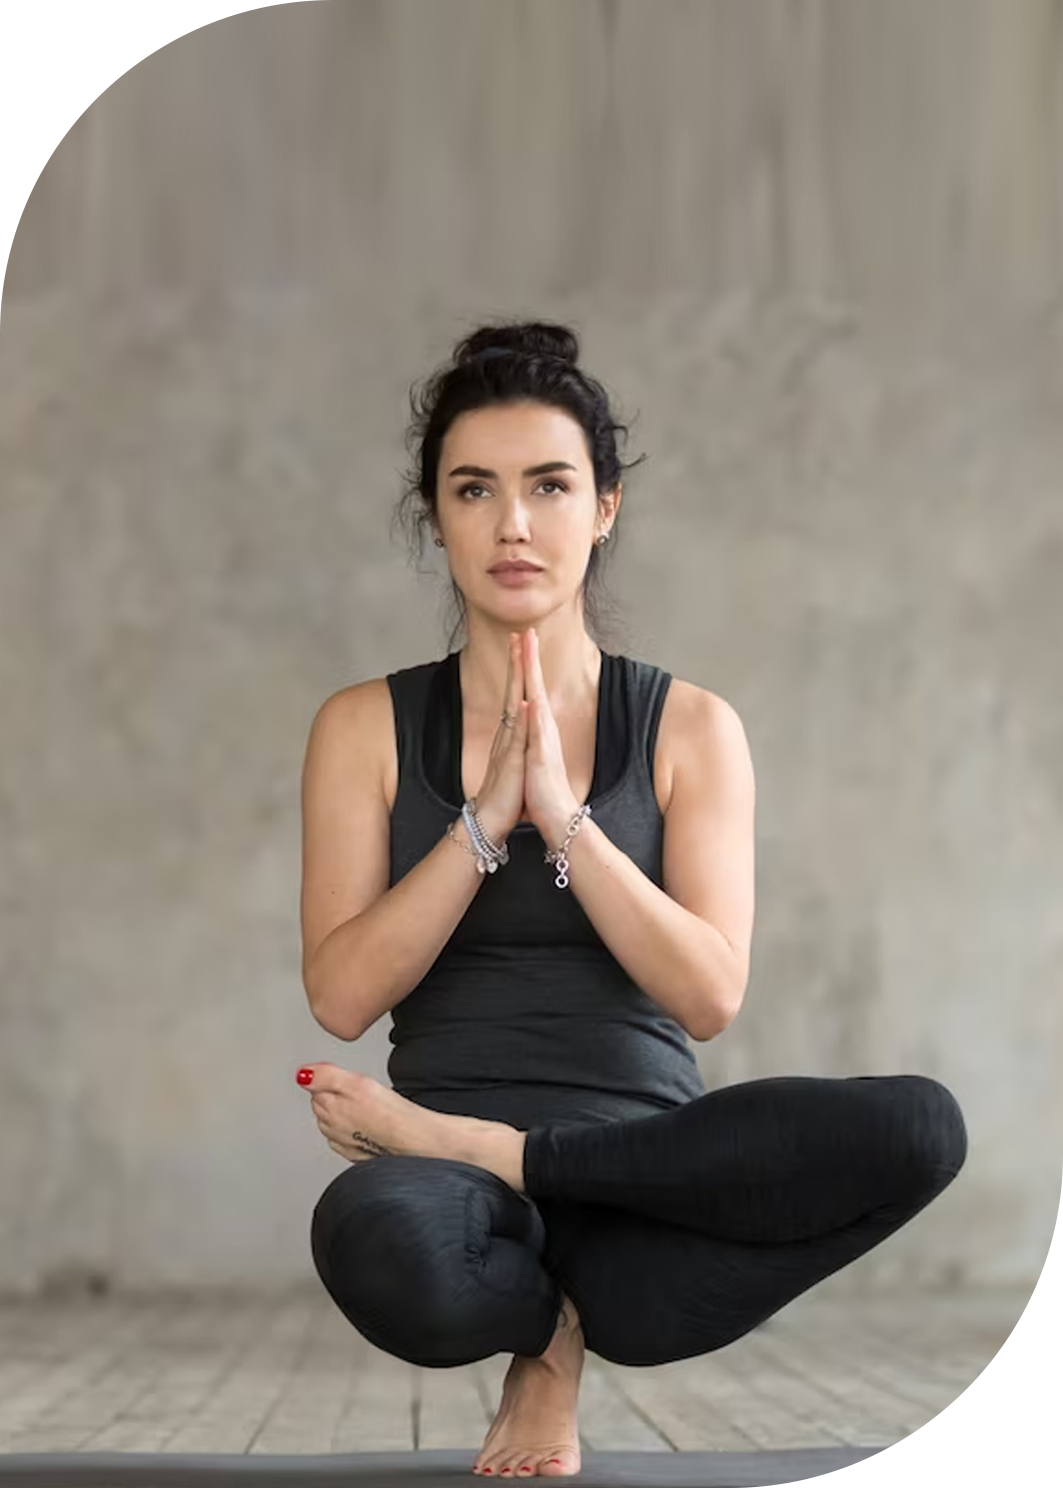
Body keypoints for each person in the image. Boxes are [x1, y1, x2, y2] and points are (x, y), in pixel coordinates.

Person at [298, 319, 968, 1480]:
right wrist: (481, 817)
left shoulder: (691, 728)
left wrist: (564, 819)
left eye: (549, 485)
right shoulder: (362, 728)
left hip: (650, 1174)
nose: (514, 523)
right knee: (374, 1249)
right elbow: (342, 996)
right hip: (445, 1188)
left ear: (602, 507)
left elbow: (708, 995)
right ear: (437, 516)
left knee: (918, 1128)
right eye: (475, 489)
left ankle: (521, 1185)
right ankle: (540, 1319)